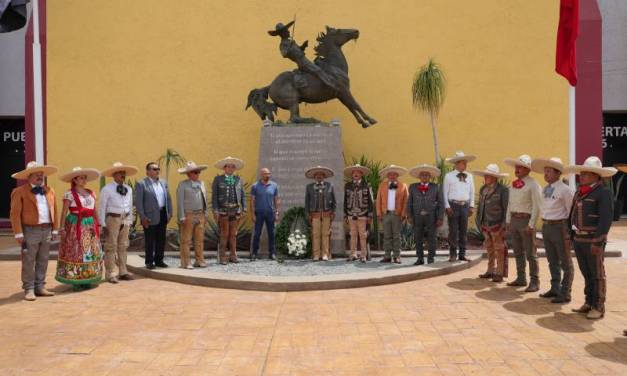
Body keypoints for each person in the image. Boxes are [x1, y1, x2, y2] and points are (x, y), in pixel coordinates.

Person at [566, 156, 617, 320]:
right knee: (586, 273)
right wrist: (570, 235)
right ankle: (588, 302)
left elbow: (605, 219)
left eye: (586, 173)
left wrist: (599, 241)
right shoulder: (580, 192)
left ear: (596, 175)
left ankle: (598, 306)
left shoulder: (603, 192)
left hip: (593, 240)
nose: (582, 176)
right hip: (579, 239)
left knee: (597, 274)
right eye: (582, 173)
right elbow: (572, 214)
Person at [10, 161, 59, 301]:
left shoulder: (50, 190)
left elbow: (54, 210)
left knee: (43, 259)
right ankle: (29, 288)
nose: (40, 176)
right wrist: (18, 232)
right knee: (29, 260)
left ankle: (40, 286)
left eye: (41, 174)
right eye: (37, 174)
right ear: (29, 176)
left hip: (47, 229)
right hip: (30, 230)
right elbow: (14, 214)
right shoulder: (19, 192)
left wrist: (55, 229)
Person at [531, 157, 575, 303]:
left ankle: (565, 291)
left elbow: (571, 212)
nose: (546, 174)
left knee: (565, 261)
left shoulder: (566, 190)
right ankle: (555, 287)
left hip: (560, 227)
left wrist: (569, 231)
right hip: (547, 226)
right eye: (545, 171)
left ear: (558, 173)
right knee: (552, 260)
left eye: (549, 171)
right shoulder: (545, 189)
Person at [56, 166, 103, 289]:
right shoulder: (69, 194)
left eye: (84, 178)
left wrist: (98, 224)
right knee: (77, 251)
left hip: (90, 225)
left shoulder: (91, 193)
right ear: (75, 180)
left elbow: (94, 210)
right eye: (81, 178)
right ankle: (76, 280)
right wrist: (61, 228)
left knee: (90, 251)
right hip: (75, 224)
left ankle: (88, 278)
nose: (83, 180)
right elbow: (64, 212)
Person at [504, 154, 543, 292]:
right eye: (516, 167)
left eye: (520, 167)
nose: (517, 169)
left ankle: (535, 281)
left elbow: (537, 206)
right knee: (517, 251)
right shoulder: (513, 185)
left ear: (528, 169)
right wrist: (508, 220)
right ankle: (521, 278)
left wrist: (531, 224)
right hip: (514, 221)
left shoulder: (533, 185)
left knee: (531, 253)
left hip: (526, 221)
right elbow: (510, 203)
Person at [268, 21, 339, 91]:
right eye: (286, 30)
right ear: (282, 33)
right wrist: (289, 48)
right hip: (302, 62)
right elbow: (284, 54)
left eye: (287, 30)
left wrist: (303, 46)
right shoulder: (283, 44)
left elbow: (299, 50)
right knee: (318, 70)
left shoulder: (291, 42)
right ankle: (331, 85)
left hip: (305, 60)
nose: (288, 31)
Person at [99, 162, 137, 283]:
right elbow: (102, 207)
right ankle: (110, 273)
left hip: (125, 218)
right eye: (120, 173)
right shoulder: (107, 189)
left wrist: (130, 220)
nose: (122, 175)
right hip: (112, 218)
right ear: (114, 175)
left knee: (123, 245)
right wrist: (102, 224)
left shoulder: (129, 189)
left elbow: (130, 205)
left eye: (123, 173)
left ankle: (123, 271)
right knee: (111, 246)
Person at [473, 164, 509, 282]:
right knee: (489, 248)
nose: (485, 177)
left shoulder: (503, 190)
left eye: (488, 175)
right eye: (485, 175)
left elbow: (506, 208)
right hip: (485, 224)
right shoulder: (483, 189)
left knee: (499, 248)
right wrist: (478, 219)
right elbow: (480, 206)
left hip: (497, 224)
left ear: (494, 177)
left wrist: (504, 224)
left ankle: (499, 272)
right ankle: (490, 270)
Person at [135, 162, 173, 270]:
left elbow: (168, 198)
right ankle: (149, 262)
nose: (157, 171)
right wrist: (143, 217)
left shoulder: (163, 182)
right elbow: (139, 203)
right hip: (149, 216)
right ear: (148, 172)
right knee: (150, 239)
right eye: (154, 169)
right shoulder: (141, 184)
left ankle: (159, 260)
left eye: (158, 169)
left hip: (163, 214)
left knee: (161, 239)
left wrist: (170, 212)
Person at [212, 156, 246, 265]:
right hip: (223, 211)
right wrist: (215, 210)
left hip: (235, 211)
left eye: (233, 167)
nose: (231, 168)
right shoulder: (218, 179)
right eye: (228, 166)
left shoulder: (238, 179)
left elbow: (243, 196)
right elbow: (214, 196)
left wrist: (244, 208)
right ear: (224, 168)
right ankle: (222, 256)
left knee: (233, 235)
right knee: (224, 234)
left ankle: (233, 255)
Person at [407, 164, 443, 265]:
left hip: (432, 217)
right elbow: (409, 202)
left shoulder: (436, 187)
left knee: (432, 238)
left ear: (430, 177)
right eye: (422, 175)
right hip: (417, 217)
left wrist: (440, 217)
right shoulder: (413, 187)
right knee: (418, 237)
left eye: (426, 175)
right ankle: (420, 258)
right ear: (419, 177)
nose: (424, 176)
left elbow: (441, 203)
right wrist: (409, 215)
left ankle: (431, 258)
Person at [443, 151, 476, 262]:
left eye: (465, 163)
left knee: (463, 231)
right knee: (453, 231)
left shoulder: (470, 176)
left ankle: (462, 254)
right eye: (462, 163)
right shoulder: (449, 176)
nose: (465, 165)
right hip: (453, 205)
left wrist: (471, 205)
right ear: (456, 164)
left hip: (465, 206)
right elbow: (445, 192)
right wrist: (447, 206)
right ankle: (453, 254)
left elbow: (472, 191)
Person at [176, 161, 209, 269]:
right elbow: (180, 201)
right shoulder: (182, 184)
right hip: (188, 214)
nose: (197, 174)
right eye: (195, 172)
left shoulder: (201, 183)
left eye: (198, 172)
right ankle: (186, 262)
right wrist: (181, 216)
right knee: (186, 240)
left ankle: (199, 260)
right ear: (188, 173)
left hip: (200, 214)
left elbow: (205, 199)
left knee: (199, 239)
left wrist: (206, 213)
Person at [376, 165, 408, 264]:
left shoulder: (403, 186)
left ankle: (397, 256)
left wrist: (403, 214)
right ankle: (387, 256)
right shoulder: (382, 185)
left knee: (396, 236)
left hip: (397, 214)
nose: (392, 176)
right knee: (386, 236)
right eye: (390, 174)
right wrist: (379, 213)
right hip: (386, 214)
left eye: (394, 174)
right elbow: (378, 200)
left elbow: (406, 201)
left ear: (397, 175)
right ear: (387, 175)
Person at [305, 166, 337, 261]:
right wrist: (307, 213)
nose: (319, 176)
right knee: (316, 234)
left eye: (321, 175)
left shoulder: (330, 186)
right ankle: (316, 254)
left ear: (324, 176)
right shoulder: (309, 187)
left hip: (327, 214)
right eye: (317, 175)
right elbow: (307, 201)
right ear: (314, 177)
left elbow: (334, 201)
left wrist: (333, 212)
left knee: (325, 234)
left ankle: (325, 254)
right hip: (315, 214)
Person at [344, 164, 374, 262]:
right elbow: (345, 200)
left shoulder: (367, 185)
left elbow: (370, 201)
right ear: (352, 174)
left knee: (363, 235)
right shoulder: (347, 185)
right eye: (354, 172)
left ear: (361, 174)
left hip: (363, 214)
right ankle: (353, 254)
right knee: (352, 235)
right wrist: (345, 214)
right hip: (351, 214)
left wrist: (370, 215)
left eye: (358, 172)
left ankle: (363, 255)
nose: (356, 174)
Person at [250, 167, 280, 260]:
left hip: (270, 213)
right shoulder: (255, 186)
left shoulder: (274, 185)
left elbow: (276, 200)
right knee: (257, 233)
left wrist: (277, 212)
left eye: (269, 173)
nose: (267, 175)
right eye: (265, 174)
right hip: (259, 213)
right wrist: (253, 214)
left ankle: (272, 253)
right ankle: (254, 253)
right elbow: (252, 201)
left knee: (272, 233)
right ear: (261, 174)